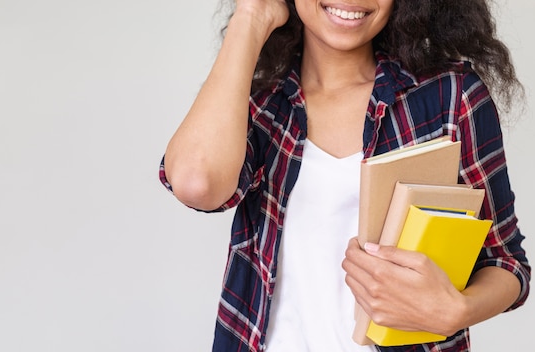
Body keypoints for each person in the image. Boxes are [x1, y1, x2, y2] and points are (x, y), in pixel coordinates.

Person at [159, 0, 531, 351]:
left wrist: (458, 311)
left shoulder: (449, 96)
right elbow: (196, 184)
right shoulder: (259, 106)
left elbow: (506, 261)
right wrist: (251, 17)